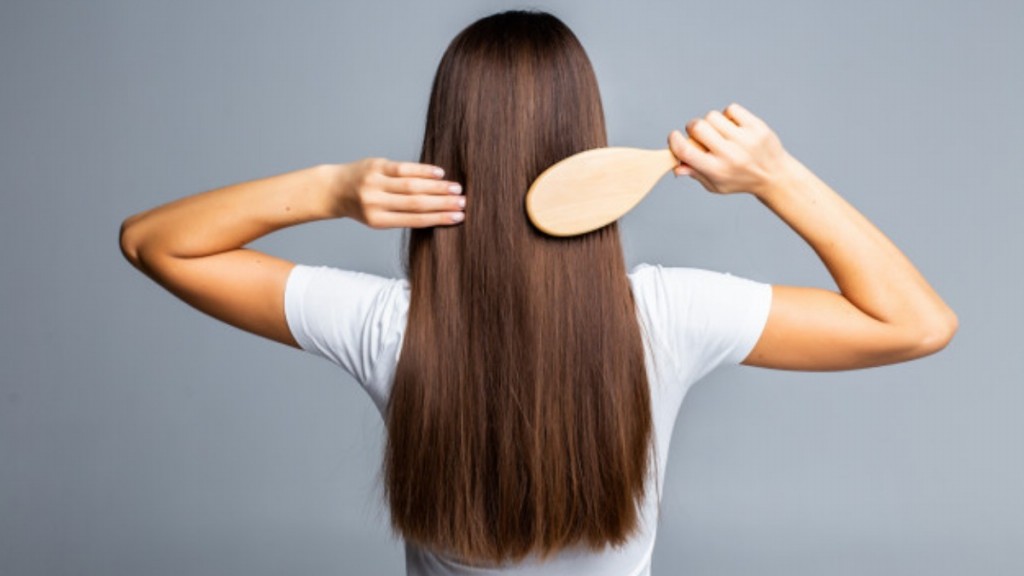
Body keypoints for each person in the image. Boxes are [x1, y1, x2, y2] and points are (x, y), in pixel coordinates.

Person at [118, 9, 957, 576]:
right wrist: (777, 175)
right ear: (583, 138)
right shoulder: (666, 317)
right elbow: (917, 325)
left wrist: (332, 188)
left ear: (446, 145)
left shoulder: (390, 327)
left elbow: (154, 245)